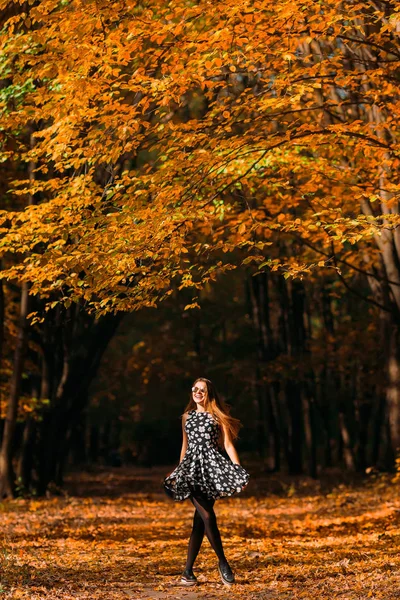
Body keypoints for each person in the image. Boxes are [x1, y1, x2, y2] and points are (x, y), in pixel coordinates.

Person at [163, 377, 250, 587]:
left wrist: (238, 469)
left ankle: (187, 572)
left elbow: (228, 446)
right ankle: (223, 563)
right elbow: (185, 446)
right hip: (191, 471)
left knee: (199, 523)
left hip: (212, 471)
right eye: (194, 389)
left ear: (209, 393)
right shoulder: (186, 417)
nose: (197, 392)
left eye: (201, 390)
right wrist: (178, 471)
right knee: (208, 516)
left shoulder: (218, 417)